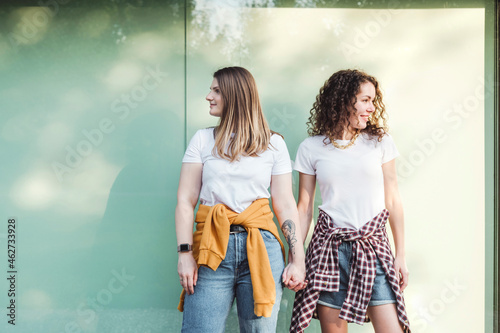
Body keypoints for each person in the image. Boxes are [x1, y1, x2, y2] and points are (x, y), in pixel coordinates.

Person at [175, 66, 307, 332]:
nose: (208, 96)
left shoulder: (274, 144)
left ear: (235, 96)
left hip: (262, 247)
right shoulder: (202, 140)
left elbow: (284, 204)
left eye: (216, 90)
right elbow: (185, 202)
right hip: (212, 250)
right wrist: (185, 254)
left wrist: (298, 259)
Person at [289, 69, 410, 333]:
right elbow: (304, 208)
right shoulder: (311, 147)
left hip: (373, 248)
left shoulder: (380, 142)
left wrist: (400, 255)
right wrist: (296, 258)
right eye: (365, 100)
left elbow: (393, 199)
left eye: (373, 101)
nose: (372, 107)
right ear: (344, 100)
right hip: (328, 251)